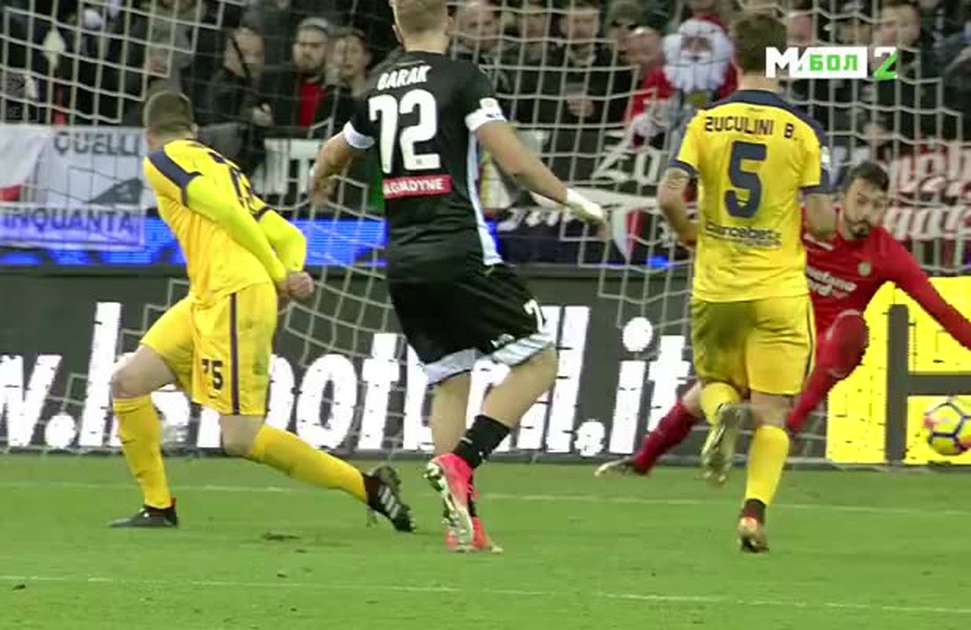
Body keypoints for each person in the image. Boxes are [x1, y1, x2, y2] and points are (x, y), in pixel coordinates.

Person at [309, 0, 605, 552]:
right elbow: (515, 163)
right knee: (539, 363)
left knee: (451, 382)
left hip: (403, 260)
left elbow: (333, 153)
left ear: (397, 29)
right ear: (448, 22)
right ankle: (461, 462)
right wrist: (574, 200)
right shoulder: (463, 78)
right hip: (459, 249)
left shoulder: (377, 89)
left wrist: (319, 179)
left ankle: (461, 525)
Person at [109, 90, 413, 533]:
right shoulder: (223, 166)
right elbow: (290, 235)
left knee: (240, 437)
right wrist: (289, 271)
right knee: (128, 382)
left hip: (234, 293)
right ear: (194, 130)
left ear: (148, 135)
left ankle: (367, 487)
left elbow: (225, 211)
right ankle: (158, 507)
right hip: (210, 295)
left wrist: (276, 274)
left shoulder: (161, 160)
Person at [599, 162, 971, 475]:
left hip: (819, 352)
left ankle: (792, 426)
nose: (868, 214)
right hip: (772, 335)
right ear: (841, 198)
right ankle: (641, 462)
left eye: (878, 206)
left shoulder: (887, 254)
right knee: (702, 397)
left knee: (852, 327)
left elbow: (940, 310)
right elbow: (740, 243)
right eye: (861, 201)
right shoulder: (799, 222)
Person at [653, 11, 837, 553]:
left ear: (735, 57)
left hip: (718, 286)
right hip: (778, 289)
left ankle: (719, 414)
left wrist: (691, 234)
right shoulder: (804, 130)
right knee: (773, 412)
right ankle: (753, 516)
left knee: (715, 381)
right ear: (783, 58)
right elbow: (823, 223)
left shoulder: (705, 123)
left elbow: (668, 196)